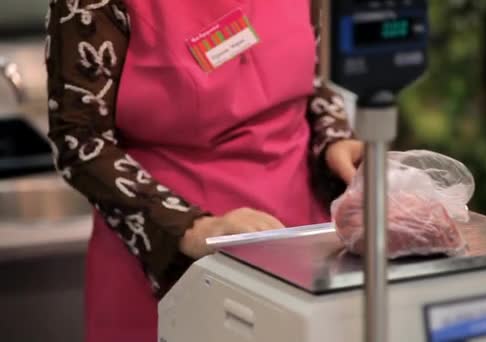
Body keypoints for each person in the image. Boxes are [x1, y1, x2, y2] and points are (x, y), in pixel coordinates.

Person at [45, 1, 363, 341]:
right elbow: (80, 141)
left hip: (300, 246)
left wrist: (334, 138)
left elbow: (310, 80)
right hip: (172, 260)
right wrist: (194, 228)